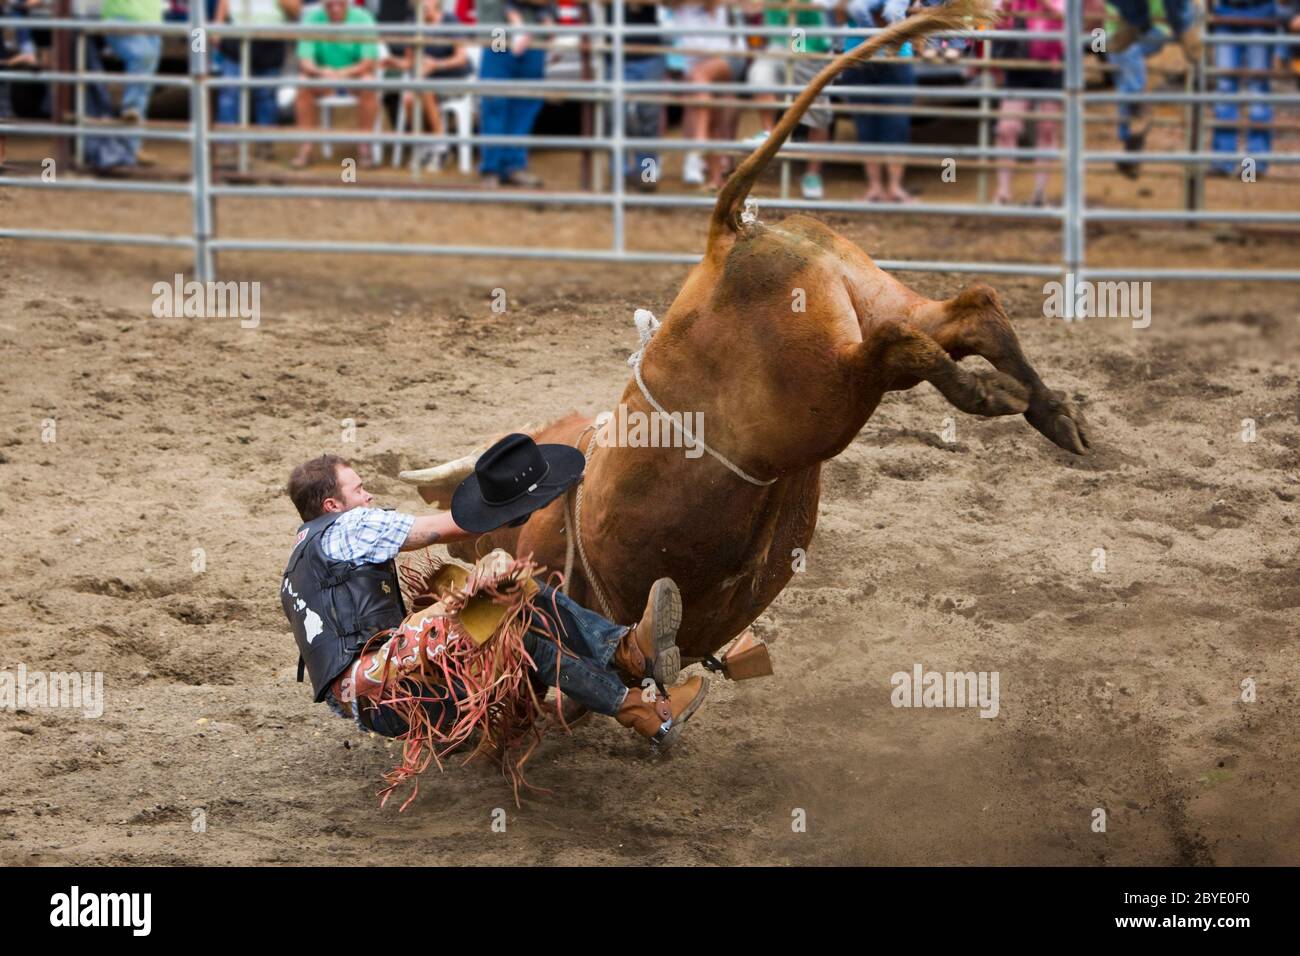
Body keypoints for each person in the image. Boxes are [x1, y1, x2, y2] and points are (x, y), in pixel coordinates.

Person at [280, 436, 709, 753]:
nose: (368, 495)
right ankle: (626, 652)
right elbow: (453, 527)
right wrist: (528, 498)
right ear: (333, 506)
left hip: (380, 708)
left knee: (514, 629)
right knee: (506, 589)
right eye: (358, 489)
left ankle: (644, 704)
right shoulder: (353, 527)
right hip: (397, 690)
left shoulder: (298, 565)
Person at [743, 0, 835, 199]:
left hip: (812, 48)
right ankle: (768, 131)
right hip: (782, 46)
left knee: (818, 111)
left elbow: (819, 14)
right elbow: (751, 8)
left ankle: (812, 174)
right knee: (760, 71)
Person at [839, 0, 917, 203]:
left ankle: (894, 187)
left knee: (897, 124)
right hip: (857, 58)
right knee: (866, 125)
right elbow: (839, 14)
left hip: (896, 58)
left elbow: (905, 13)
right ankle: (875, 187)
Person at [382, 0, 472, 171]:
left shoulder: (450, 21)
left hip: (452, 77)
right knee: (409, 99)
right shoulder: (412, 24)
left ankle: (441, 148)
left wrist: (436, 64)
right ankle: (425, 146)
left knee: (423, 88)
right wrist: (395, 62)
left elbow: (461, 59)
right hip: (426, 80)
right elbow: (410, 62)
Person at [291, 0, 380, 169]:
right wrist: (322, 72)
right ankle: (305, 147)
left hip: (353, 77)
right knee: (303, 85)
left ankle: (365, 147)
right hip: (324, 78)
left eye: (339, 4)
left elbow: (368, 62)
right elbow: (305, 61)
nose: (335, 9)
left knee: (369, 84)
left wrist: (341, 73)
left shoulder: (363, 18)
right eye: (330, 5)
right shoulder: (311, 19)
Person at [666, 0, 745, 189]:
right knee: (712, 115)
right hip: (699, 71)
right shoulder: (681, 7)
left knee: (698, 79)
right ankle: (716, 179)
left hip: (727, 60)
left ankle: (699, 140)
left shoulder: (720, 5)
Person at [213, 0, 301, 167]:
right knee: (230, 94)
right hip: (236, 38)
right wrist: (218, 22)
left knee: (265, 97)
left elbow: (295, 11)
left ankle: (264, 147)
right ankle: (228, 148)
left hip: (269, 41)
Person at [992, 0, 1063, 206]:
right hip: (1019, 60)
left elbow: (1066, 18)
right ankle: (1003, 192)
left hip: (1053, 62)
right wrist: (1005, 9)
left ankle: (1039, 194)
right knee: (1007, 128)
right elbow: (997, 20)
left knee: (1047, 128)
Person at [477, 0, 554, 187]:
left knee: (526, 99)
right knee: (495, 97)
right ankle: (492, 167)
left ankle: (514, 164)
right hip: (499, 32)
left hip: (533, 34)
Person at [1208, 0, 1280, 175]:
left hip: (1260, 14)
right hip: (1226, 13)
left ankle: (1253, 167)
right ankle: (1223, 163)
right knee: (1225, 87)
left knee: (1257, 90)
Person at [103, 0, 164, 164]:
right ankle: (130, 108)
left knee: (143, 86)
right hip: (122, 18)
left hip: (152, 23)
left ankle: (132, 149)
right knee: (142, 60)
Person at [620, 0, 669, 191]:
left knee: (649, 118)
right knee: (615, 117)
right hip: (615, 53)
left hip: (649, 52)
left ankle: (647, 174)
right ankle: (621, 175)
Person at [1110, 0, 1202, 61]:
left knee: (1131, 52)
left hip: (1161, 28)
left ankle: (1184, 26)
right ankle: (1133, 20)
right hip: (1151, 26)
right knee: (1128, 52)